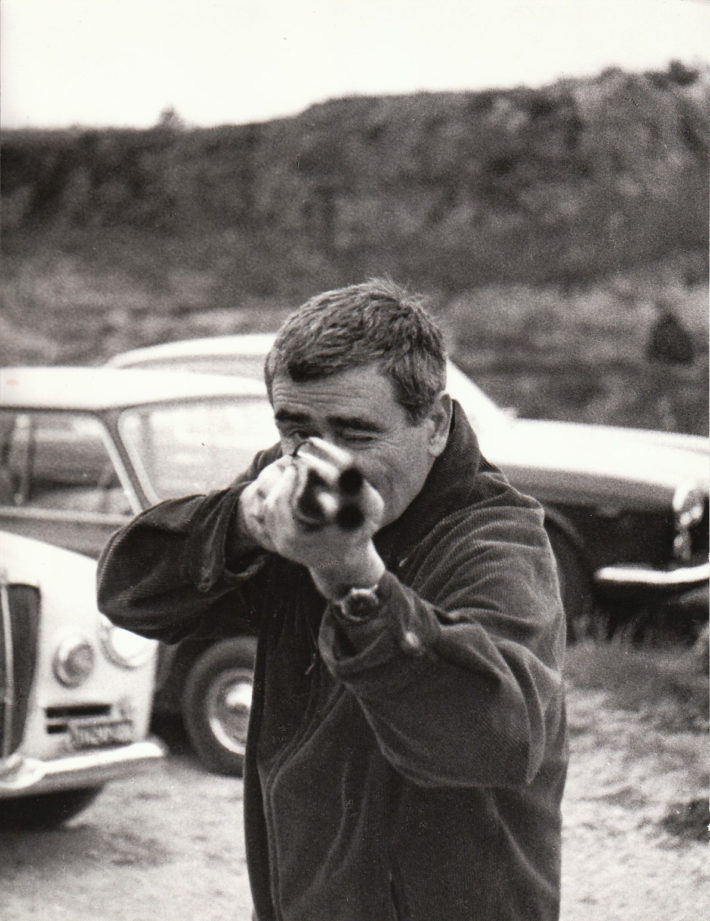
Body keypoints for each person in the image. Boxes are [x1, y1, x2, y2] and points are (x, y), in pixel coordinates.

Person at [97, 279, 568, 921]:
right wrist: (241, 521)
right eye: (298, 430)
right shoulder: (298, 495)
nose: (324, 462)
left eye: (355, 434)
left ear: (433, 424)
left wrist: (356, 579)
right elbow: (128, 593)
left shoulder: (498, 540)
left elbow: (494, 739)